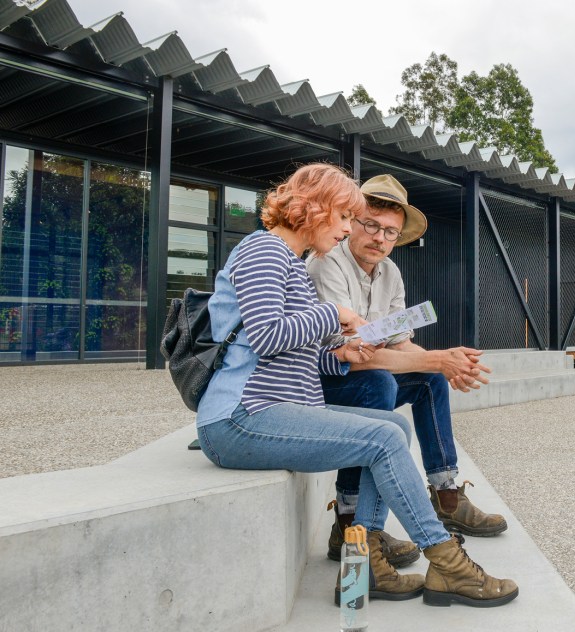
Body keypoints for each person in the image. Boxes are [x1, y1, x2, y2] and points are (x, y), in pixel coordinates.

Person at [195, 163, 517, 608]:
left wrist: (341, 354)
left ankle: (362, 566)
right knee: (385, 434)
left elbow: (299, 354)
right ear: (315, 208)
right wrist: (337, 316)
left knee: (393, 427)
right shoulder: (264, 250)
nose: (348, 229)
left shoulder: (288, 261)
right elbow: (268, 337)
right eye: (346, 217)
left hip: (275, 410)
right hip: (239, 417)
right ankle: (447, 562)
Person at [307, 174, 507, 568]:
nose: (380, 238)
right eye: (370, 224)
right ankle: (349, 520)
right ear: (351, 221)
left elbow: (400, 344)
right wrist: (438, 358)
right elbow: (353, 355)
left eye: (391, 233)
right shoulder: (326, 263)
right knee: (376, 383)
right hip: (319, 382)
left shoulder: (391, 272)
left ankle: (446, 494)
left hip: (361, 374)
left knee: (428, 381)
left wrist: (445, 364)